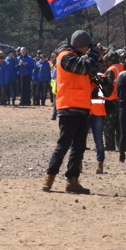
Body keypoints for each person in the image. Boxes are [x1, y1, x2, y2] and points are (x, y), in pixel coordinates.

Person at [42, 30, 101, 194]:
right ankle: (49, 178)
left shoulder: (72, 56)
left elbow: (88, 71)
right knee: (64, 145)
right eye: (87, 48)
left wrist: (96, 58)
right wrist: (95, 53)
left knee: (79, 147)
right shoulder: (65, 56)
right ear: (82, 46)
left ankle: (72, 181)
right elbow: (83, 67)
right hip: (69, 107)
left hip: (80, 106)